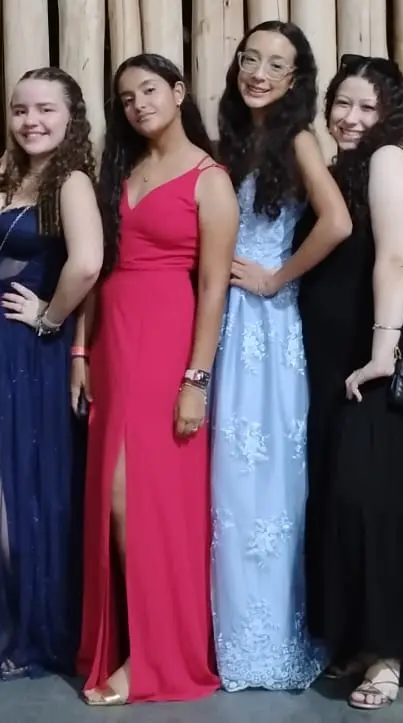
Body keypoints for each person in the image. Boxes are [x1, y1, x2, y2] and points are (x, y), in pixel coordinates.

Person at [299, 54, 403, 710]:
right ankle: (360, 638)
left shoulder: (389, 160)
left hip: (380, 350)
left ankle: (391, 649)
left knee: (380, 497)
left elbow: (398, 256)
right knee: (347, 497)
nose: (350, 117)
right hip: (341, 353)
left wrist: (381, 352)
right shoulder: (336, 166)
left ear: (390, 115)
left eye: (367, 107)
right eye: (342, 103)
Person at [74, 54, 238, 706]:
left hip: (168, 341)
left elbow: (215, 288)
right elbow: (95, 268)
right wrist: (80, 350)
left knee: (143, 501)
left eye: (149, 90)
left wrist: (195, 377)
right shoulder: (121, 169)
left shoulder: (209, 179)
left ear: (178, 91)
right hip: (113, 345)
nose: (138, 103)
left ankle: (153, 655)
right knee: (111, 498)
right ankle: (126, 643)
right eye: (126, 97)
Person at [0, 67, 102, 684]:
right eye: (20, 110)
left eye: (45, 109)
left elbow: (87, 263)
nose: (30, 120)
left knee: (6, 483)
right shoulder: (4, 175)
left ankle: (37, 627)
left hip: (24, 345)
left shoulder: (72, 183)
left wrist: (49, 318)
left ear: (71, 118)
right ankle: (17, 618)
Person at [209, 20, 349, 691]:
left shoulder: (297, 139)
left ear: (295, 81)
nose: (258, 73)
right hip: (221, 322)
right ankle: (224, 635)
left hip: (266, 330)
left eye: (274, 64)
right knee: (222, 483)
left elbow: (337, 221)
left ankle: (274, 638)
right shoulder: (231, 143)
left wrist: (275, 277)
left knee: (264, 483)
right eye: (249, 59)